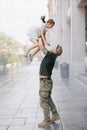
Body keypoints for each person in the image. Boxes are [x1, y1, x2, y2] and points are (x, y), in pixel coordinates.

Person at [37, 43, 63, 127]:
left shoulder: (51, 55)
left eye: (55, 48)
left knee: (44, 101)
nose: (53, 48)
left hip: (45, 82)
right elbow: (41, 46)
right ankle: (55, 115)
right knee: (48, 100)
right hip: (46, 82)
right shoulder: (51, 56)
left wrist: (41, 34)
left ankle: (47, 120)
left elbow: (40, 46)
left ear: (56, 51)